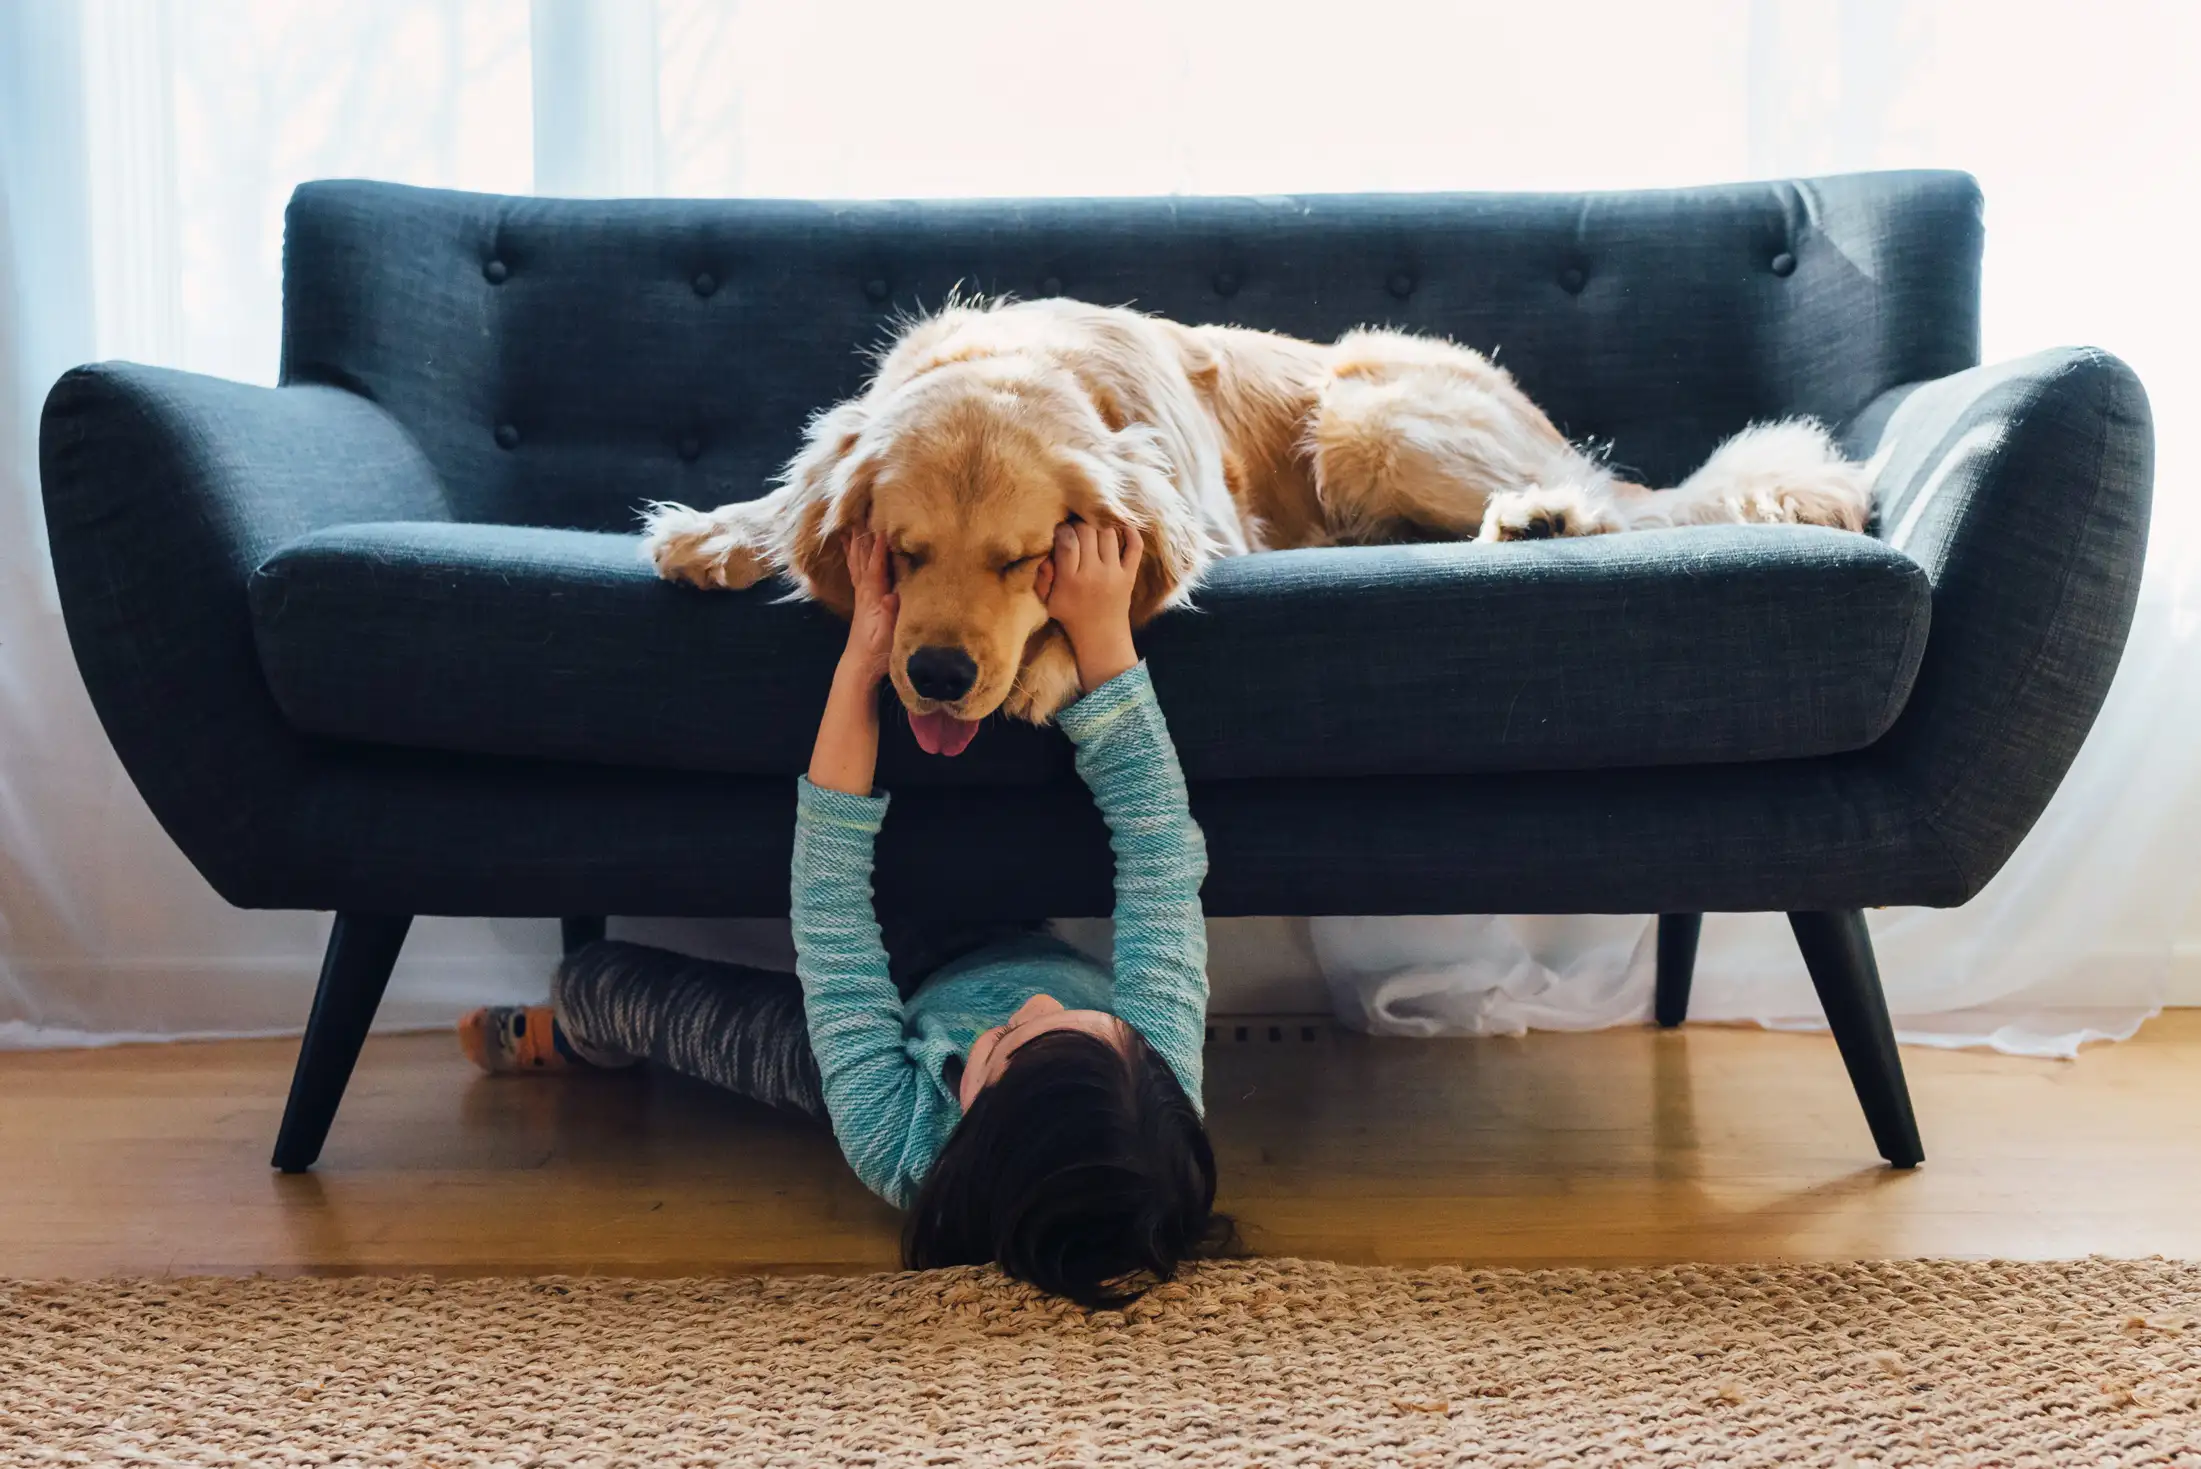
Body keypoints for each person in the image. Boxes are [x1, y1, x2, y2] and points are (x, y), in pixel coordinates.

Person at [458, 521, 1231, 1306]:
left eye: (1002, 1041)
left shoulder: (889, 1136)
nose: (1035, 1000)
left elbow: (830, 911)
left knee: (596, 980)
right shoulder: (1156, 1071)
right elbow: (1158, 845)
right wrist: (1102, 634)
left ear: (967, 1132)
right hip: (1000, 933)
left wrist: (857, 667)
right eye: (1083, 1018)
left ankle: (583, 1039)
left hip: (875, 1034)